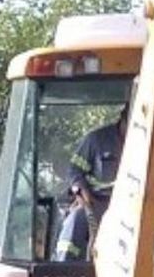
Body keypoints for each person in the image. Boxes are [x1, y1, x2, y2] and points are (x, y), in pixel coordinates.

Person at [55, 106, 128, 261]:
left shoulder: (146, 143)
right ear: (123, 119)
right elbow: (75, 171)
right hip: (97, 203)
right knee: (77, 219)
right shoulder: (96, 140)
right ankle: (65, 265)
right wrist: (81, 192)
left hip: (130, 205)